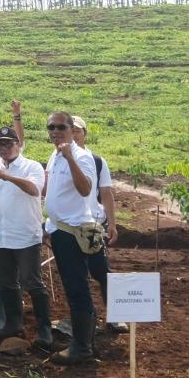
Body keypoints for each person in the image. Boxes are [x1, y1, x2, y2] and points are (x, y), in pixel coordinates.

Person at [0, 127, 52, 349]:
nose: (4, 148)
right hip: (1, 235)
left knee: (32, 283)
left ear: (18, 144)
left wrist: (8, 177)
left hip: (25, 236)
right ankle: (13, 323)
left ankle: (44, 329)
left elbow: (34, 190)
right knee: (7, 283)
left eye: (9, 144)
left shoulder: (31, 166)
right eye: (0, 144)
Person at [43, 111, 100, 364]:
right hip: (59, 229)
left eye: (61, 127)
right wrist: (49, 224)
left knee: (77, 289)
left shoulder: (81, 156)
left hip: (74, 233)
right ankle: (85, 339)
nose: (56, 132)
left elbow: (86, 188)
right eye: (51, 127)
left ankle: (82, 348)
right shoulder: (54, 155)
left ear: (72, 129)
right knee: (73, 286)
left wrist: (70, 157)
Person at [69, 115, 127, 334]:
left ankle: (115, 316)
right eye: (70, 130)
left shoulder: (97, 161)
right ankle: (84, 318)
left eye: (77, 130)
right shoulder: (58, 157)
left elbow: (106, 193)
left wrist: (112, 223)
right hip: (68, 226)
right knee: (75, 274)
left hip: (92, 225)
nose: (73, 134)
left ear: (85, 134)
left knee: (102, 271)